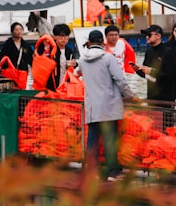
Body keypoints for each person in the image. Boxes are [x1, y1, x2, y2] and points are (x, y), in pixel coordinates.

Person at [77, 29, 136, 181]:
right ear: (103, 42)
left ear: (89, 43)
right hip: (108, 105)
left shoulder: (82, 60)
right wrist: (132, 96)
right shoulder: (108, 58)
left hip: (92, 107)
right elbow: (121, 80)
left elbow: (76, 72)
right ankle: (113, 172)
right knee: (110, 139)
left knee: (92, 140)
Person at [134, 24, 169, 101]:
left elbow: (171, 76)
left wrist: (151, 71)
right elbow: (146, 74)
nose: (146, 37)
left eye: (149, 35)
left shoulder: (168, 52)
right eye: (146, 35)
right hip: (151, 96)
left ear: (158, 36)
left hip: (166, 97)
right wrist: (138, 70)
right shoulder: (148, 51)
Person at [51, 23, 78, 88]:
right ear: (54, 37)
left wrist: (74, 64)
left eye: (66, 36)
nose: (63, 38)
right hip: (53, 86)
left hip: (66, 85)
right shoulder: (51, 51)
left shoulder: (69, 51)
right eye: (60, 36)